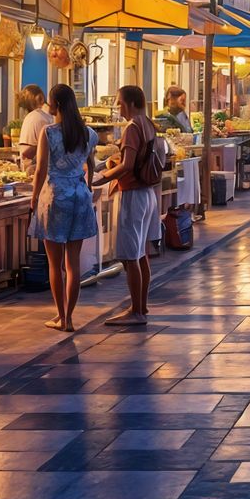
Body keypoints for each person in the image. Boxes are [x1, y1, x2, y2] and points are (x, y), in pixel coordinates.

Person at [31, 84, 98, 333]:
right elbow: (90, 164)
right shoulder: (87, 133)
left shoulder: (48, 133)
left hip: (55, 196)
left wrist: (34, 196)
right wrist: (88, 186)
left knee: (54, 264)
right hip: (80, 196)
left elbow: (40, 169)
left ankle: (61, 316)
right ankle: (70, 316)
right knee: (73, 264)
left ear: (54, 104)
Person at [96, 85, 165, 328]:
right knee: (141, 253)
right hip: (147, 194)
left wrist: (102, 175)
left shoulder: (133, 127)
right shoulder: (148, 123)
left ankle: (136, 311)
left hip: (133, 194)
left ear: (131, 103)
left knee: (130, 256)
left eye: (120, 102)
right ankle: (140, 305)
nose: (118, 107)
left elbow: (127, 165)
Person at [16, 83, 52, 174]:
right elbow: (45, 147)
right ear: (40, 98)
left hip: (29, 168)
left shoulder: (31, 116)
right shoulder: (41, 118)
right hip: (36, 169)